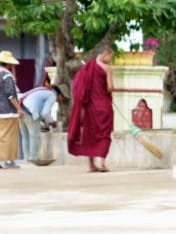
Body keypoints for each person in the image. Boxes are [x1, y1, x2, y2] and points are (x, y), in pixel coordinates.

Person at [67, 43, 115, 172]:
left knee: (90, 135)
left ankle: (91, 165)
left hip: (89, 108)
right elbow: (109, 87)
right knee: (104, 134)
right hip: (103, 105)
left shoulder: (87, 67)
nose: (110, 60)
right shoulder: (106, 68)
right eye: (110, 57)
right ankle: (101, 163)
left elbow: (78, 86)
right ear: (105, 54)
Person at [0, 50, 24, 170]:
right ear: (8, 64)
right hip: (8, 111)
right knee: (10, 136)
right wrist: (19, 109)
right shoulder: (7, 76)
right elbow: (11, 95)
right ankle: (9, 161)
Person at [19, 83, 66, 162]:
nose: (61, 101)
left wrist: (44, 120)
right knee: (34, 136)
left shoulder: (43, 91)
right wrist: (52, 122)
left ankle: (26, 159)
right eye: (62, 98)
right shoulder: (52, 95)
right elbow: (45, 113)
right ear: (59, 94)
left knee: (25, 136)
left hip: (21, 109)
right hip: (30, 112)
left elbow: (41, 110)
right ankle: (33, 158)